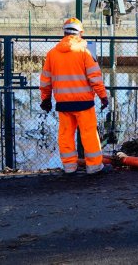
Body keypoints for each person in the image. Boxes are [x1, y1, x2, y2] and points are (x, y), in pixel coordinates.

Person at [40, 17, 111, 175]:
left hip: (63, 103)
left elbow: (45, 80)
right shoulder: (86, 51)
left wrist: (45, 98)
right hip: (84, 103)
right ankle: (94, 167)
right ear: (81, 33)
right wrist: (103, 96)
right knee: (89, 134)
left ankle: (69, 167)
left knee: (65, 135)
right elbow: (95, 77)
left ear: (64, 32)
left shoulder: (52, 53)